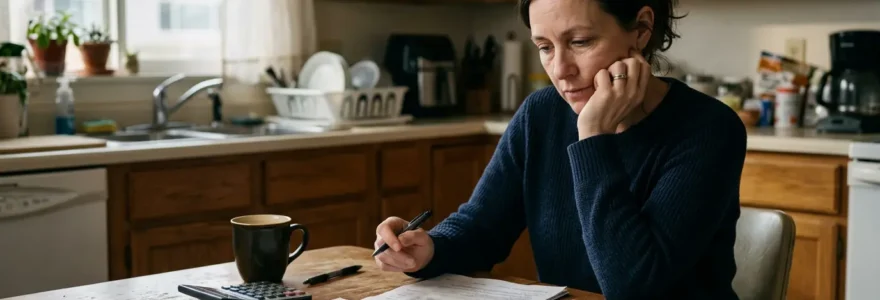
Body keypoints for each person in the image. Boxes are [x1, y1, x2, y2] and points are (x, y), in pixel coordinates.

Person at [372, 0, 747, 298]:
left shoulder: (709, 129)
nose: (560, 69)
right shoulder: (541, 114)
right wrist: (426, 248)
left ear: (642, 28)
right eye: (544, 47)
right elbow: (482, 228)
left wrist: (594, 137)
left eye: (580, 42)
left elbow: (633, 286)